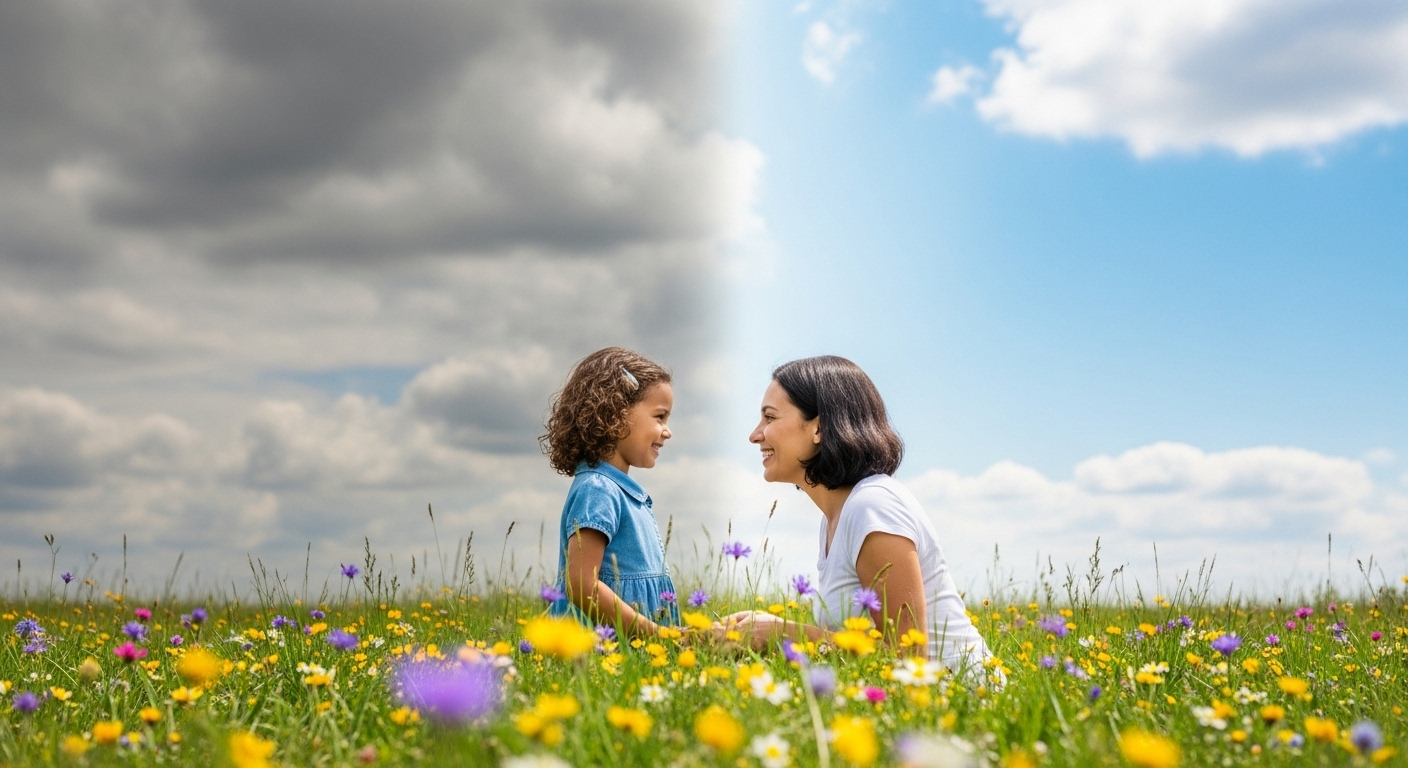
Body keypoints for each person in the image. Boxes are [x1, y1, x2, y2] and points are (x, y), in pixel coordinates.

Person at [724, 356, 990, 674]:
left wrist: (783, 633)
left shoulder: (873, 506)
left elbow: (908, 654)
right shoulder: (835, 518)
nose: (755, 434)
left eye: (769, 417)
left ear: (819, 428)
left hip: (964, 695)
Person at [541, 347, 679, 636]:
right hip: (601, 648)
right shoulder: (599, 489)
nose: (667, 431)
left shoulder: (618, 491)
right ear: (616, 414)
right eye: (660, 417)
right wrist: (656, 634)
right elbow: (582, 584)